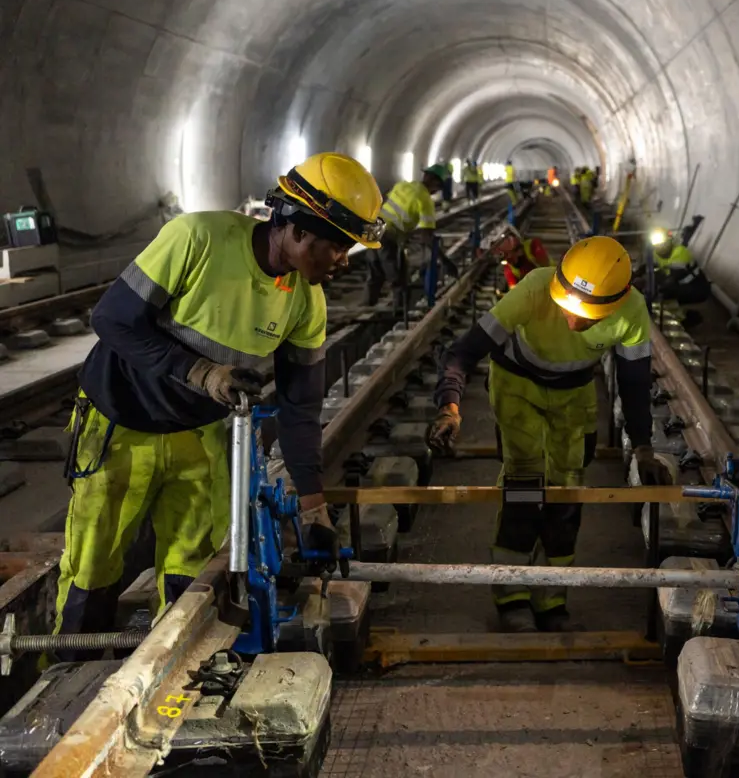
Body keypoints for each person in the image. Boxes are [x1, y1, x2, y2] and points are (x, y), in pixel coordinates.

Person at [54, 152, 383, 649]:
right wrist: (199, 371)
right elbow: (112, 319)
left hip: (201, 435)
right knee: (94, 565)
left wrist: (313, 511)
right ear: (297, 230)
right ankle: (66, 680)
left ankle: (166, 686)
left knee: (192, 573)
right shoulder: (198, 239)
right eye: (337, 247)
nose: (343, 260)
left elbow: (300, 410)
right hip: (121, 422)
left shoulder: (305, 303)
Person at [427, 236, 671, 633]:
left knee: (567, 493)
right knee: (524, 486)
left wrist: (644, 447)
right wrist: (450, 406)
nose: (572, 320)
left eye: (586, 314)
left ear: (613, 305)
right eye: (568, 306)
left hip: (574, 391)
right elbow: (463, 351)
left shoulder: (632, 312)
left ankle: (552, 596)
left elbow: (634, 383)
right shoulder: (536, 287)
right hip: (516, 384)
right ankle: (511, 595)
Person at [373, 164, 456, 308]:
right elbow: (427, 237)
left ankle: (366, 311)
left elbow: (383, 199)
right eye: (439, 187)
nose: (437, 191)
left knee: (374, 276)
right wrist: (446, 261)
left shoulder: (402, 185)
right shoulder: (424, 200)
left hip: (374, 231)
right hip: (388, 238)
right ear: (435, 183)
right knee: (399, 281)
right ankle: (398, 315)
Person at [647, 228, 709, 305]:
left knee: (664, 294)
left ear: (669, 241)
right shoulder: (657, 254)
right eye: (657, 246)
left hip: (697, 288)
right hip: (680, 283)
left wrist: (654, 290)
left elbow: (672, 279)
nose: (660, 248)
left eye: (663, 244)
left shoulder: (680, 252)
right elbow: (658, 267)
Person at [495, 225, 552, 289]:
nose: (510, 257)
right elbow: (514, 291)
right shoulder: (508, 269)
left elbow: (546, 266)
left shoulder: (533, 246)